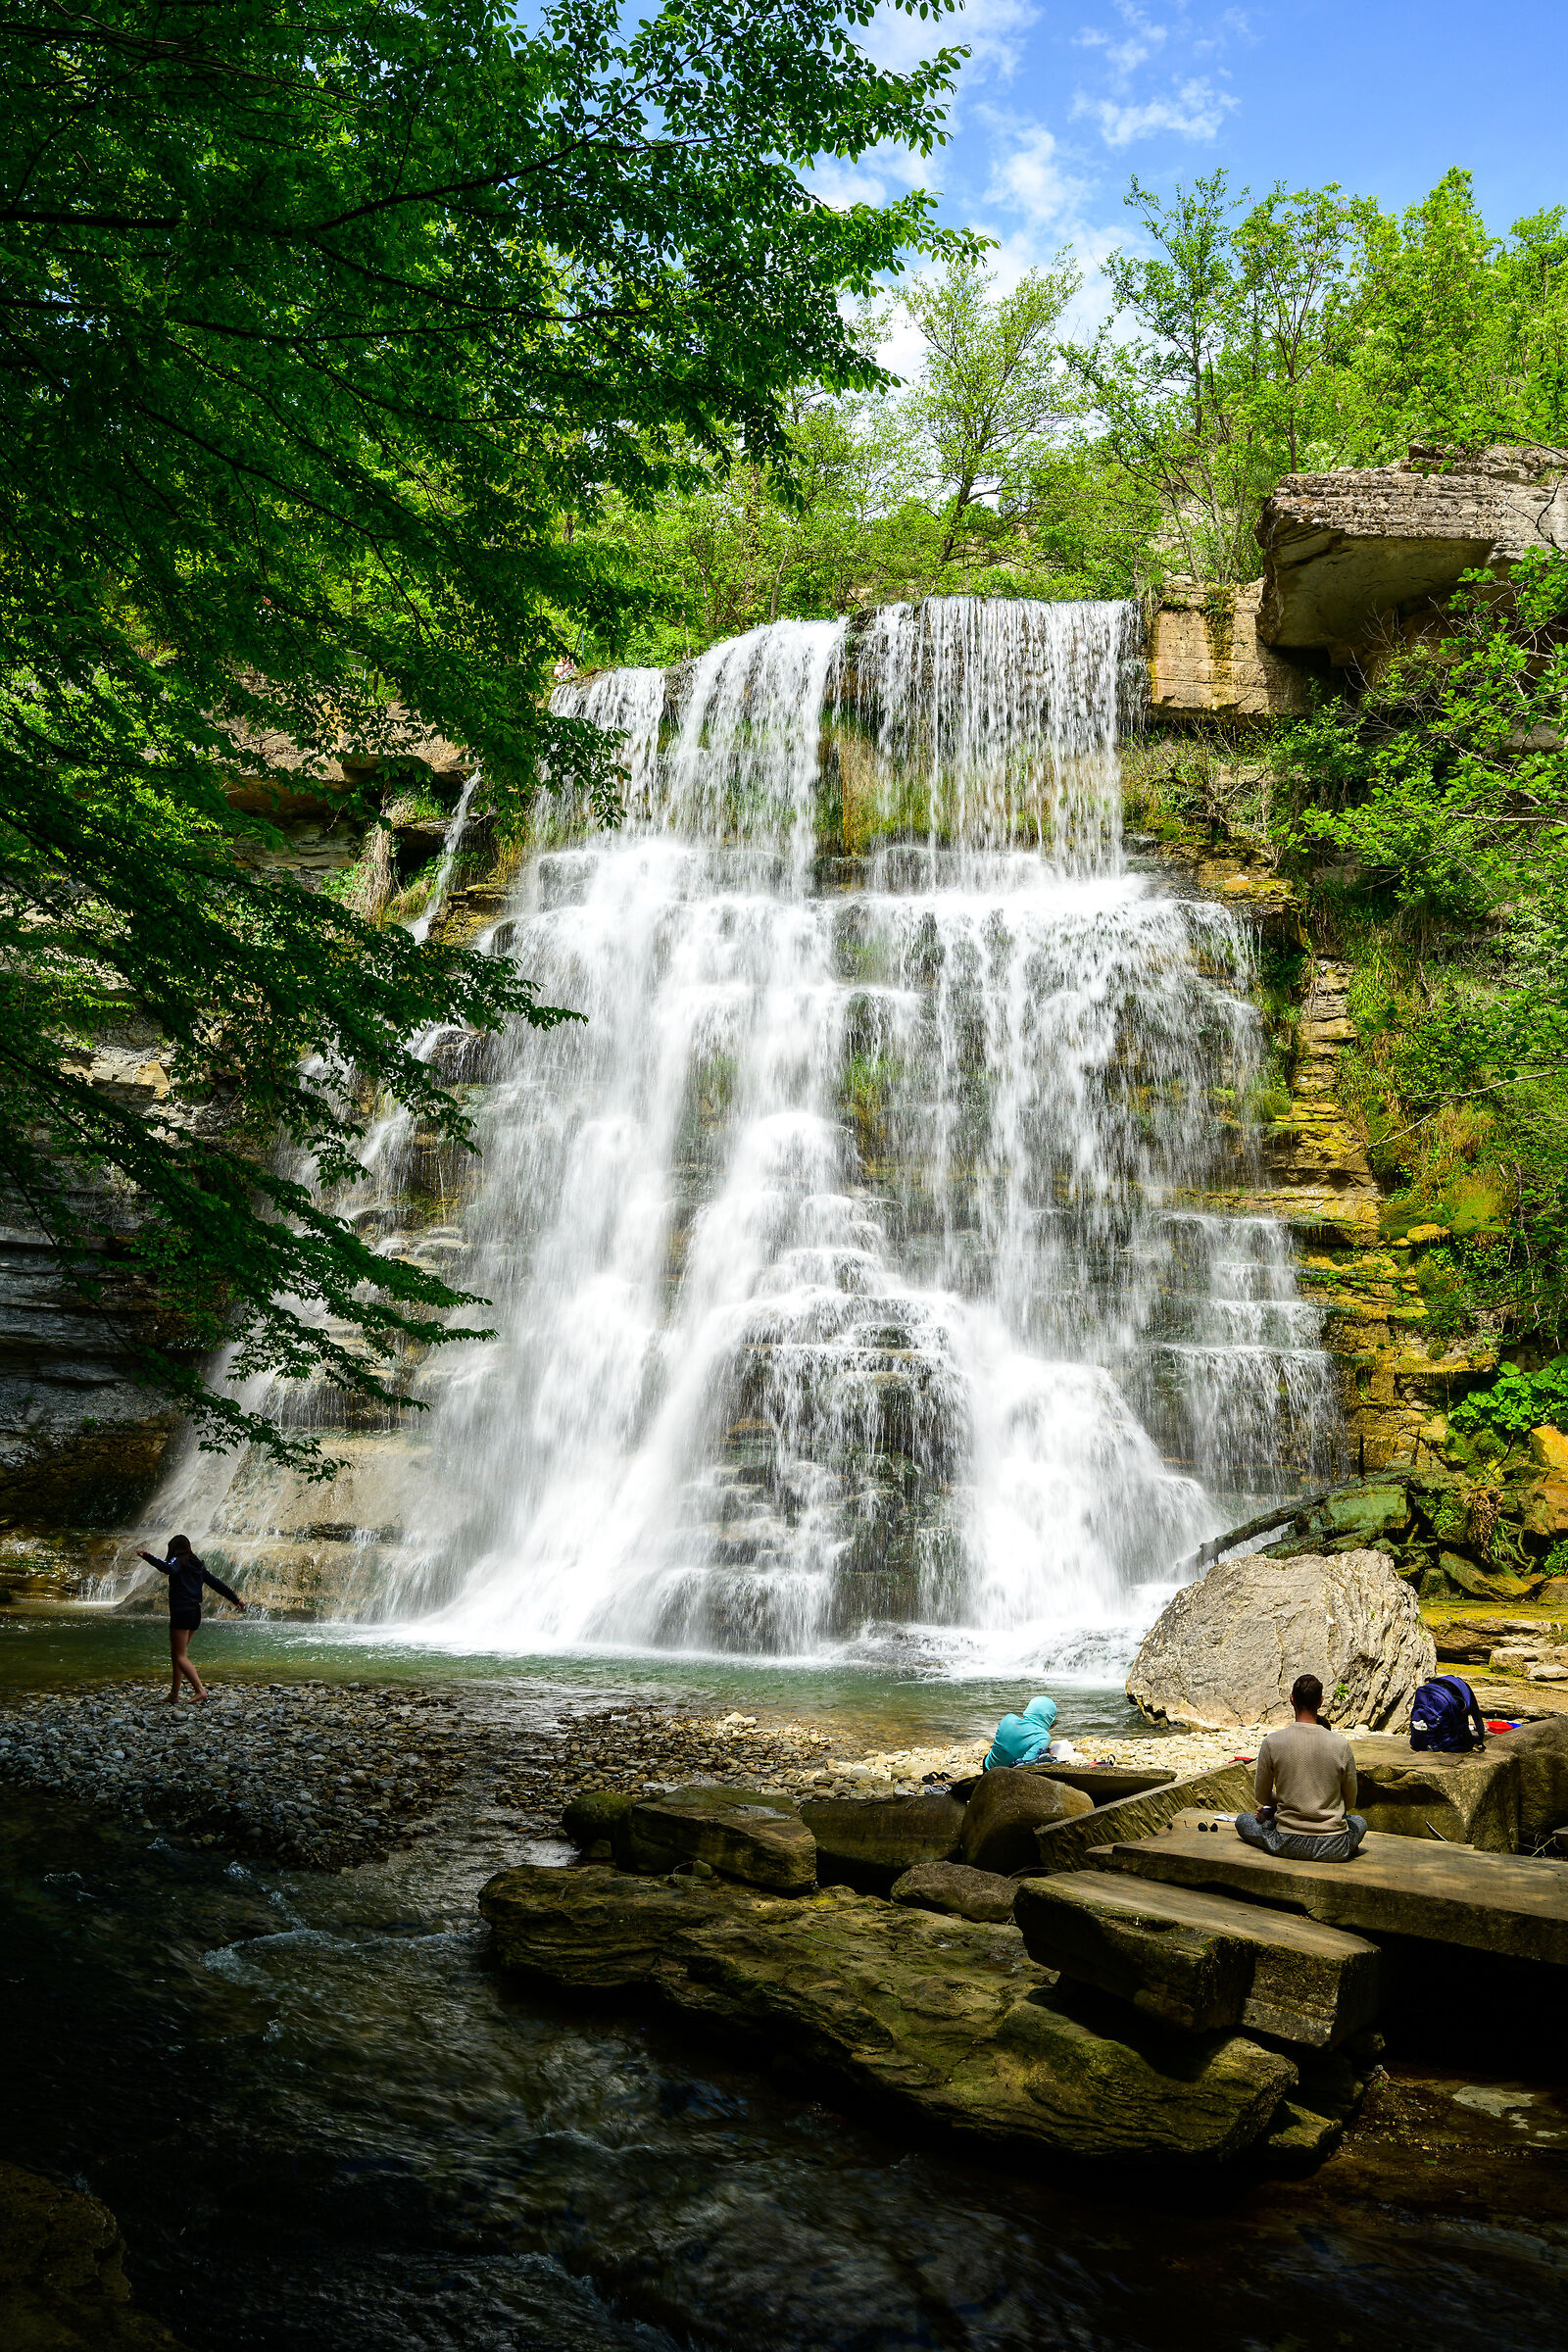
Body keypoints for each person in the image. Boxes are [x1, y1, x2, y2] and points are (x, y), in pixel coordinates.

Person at [1235, 1672, 1366, 1863]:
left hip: (1285, 1842)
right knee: (1360, 1822)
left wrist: (1284, 1803)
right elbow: (1350, 1801)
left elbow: (1262, 1796)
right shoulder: (1341, 1745)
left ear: (1291, 1700)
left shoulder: (1272, 1742)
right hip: (1333, 1845)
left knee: (1243, 1821)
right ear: (1321, 1702)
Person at [136, 1535, 247, 1704]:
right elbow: (216, 1583)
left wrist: (148, 1557)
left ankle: (200, 1690)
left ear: (173, 1549)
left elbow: (168, 1569)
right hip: (195, 1613)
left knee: (179, 1655)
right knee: (178, 1654)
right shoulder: (198, 1565)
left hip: (181, 1612)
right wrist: (235, 1599)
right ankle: (174, 1695)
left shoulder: (177, 1561)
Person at [983, 1693, 1057, 1770]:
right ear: (1049, 1719)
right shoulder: (1043, 1737)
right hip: (1005, 1774)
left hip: (988, 1765)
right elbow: (1024, 1764)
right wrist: (1046, 1756)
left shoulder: (1008, 1718)